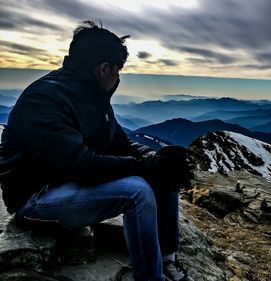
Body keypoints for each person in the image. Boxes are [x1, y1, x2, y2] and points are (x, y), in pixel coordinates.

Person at [0, 21, 194, 281]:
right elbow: (81, 166)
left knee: (163, 172)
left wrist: (155, 159)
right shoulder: (45, 100)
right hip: (35, 199)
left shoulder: (92, 94)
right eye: (119, 69)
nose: (119, 76)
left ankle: (167, 259)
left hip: (65, 184)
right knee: (138, 191)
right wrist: (145, 168)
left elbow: (119, 141)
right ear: (104, 69)